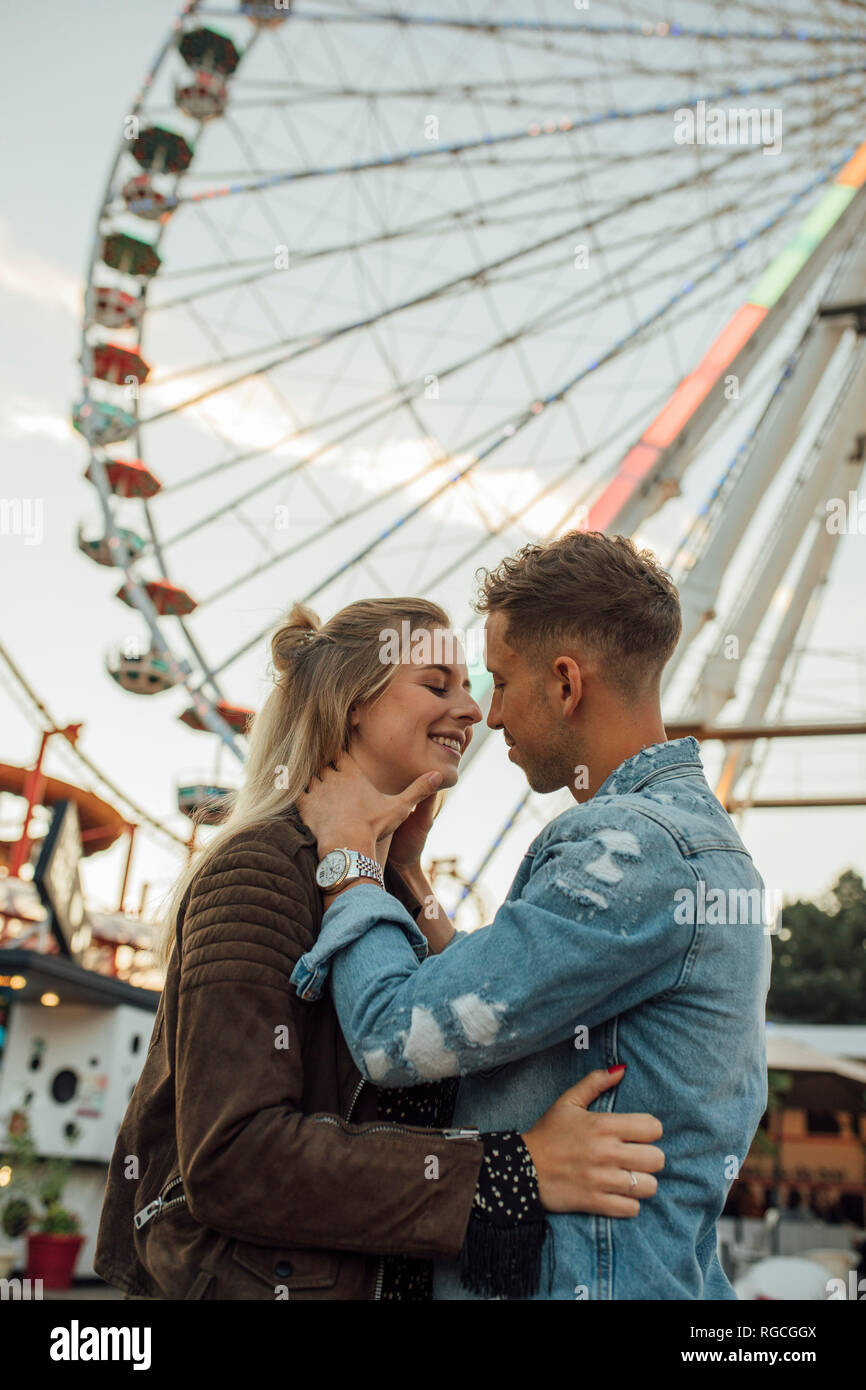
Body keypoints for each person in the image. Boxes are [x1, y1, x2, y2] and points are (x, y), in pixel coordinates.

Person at [93, 595, 665, 1301]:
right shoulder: (260, 871)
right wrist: (511, 1168)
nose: (473, 710)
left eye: (470, 684)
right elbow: (232, 1158)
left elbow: (443, 1048)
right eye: (438, 685)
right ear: (352, 704)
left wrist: (411, 874)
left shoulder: (377, 888)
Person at [292, 530, 772, 1300]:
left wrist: (349, 858)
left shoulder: (627, 850)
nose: (488, 714)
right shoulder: (690, 844)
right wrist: (411, 876)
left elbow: (392, 1034)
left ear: (565, 684)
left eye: (501, 681)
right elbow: (518, 987)